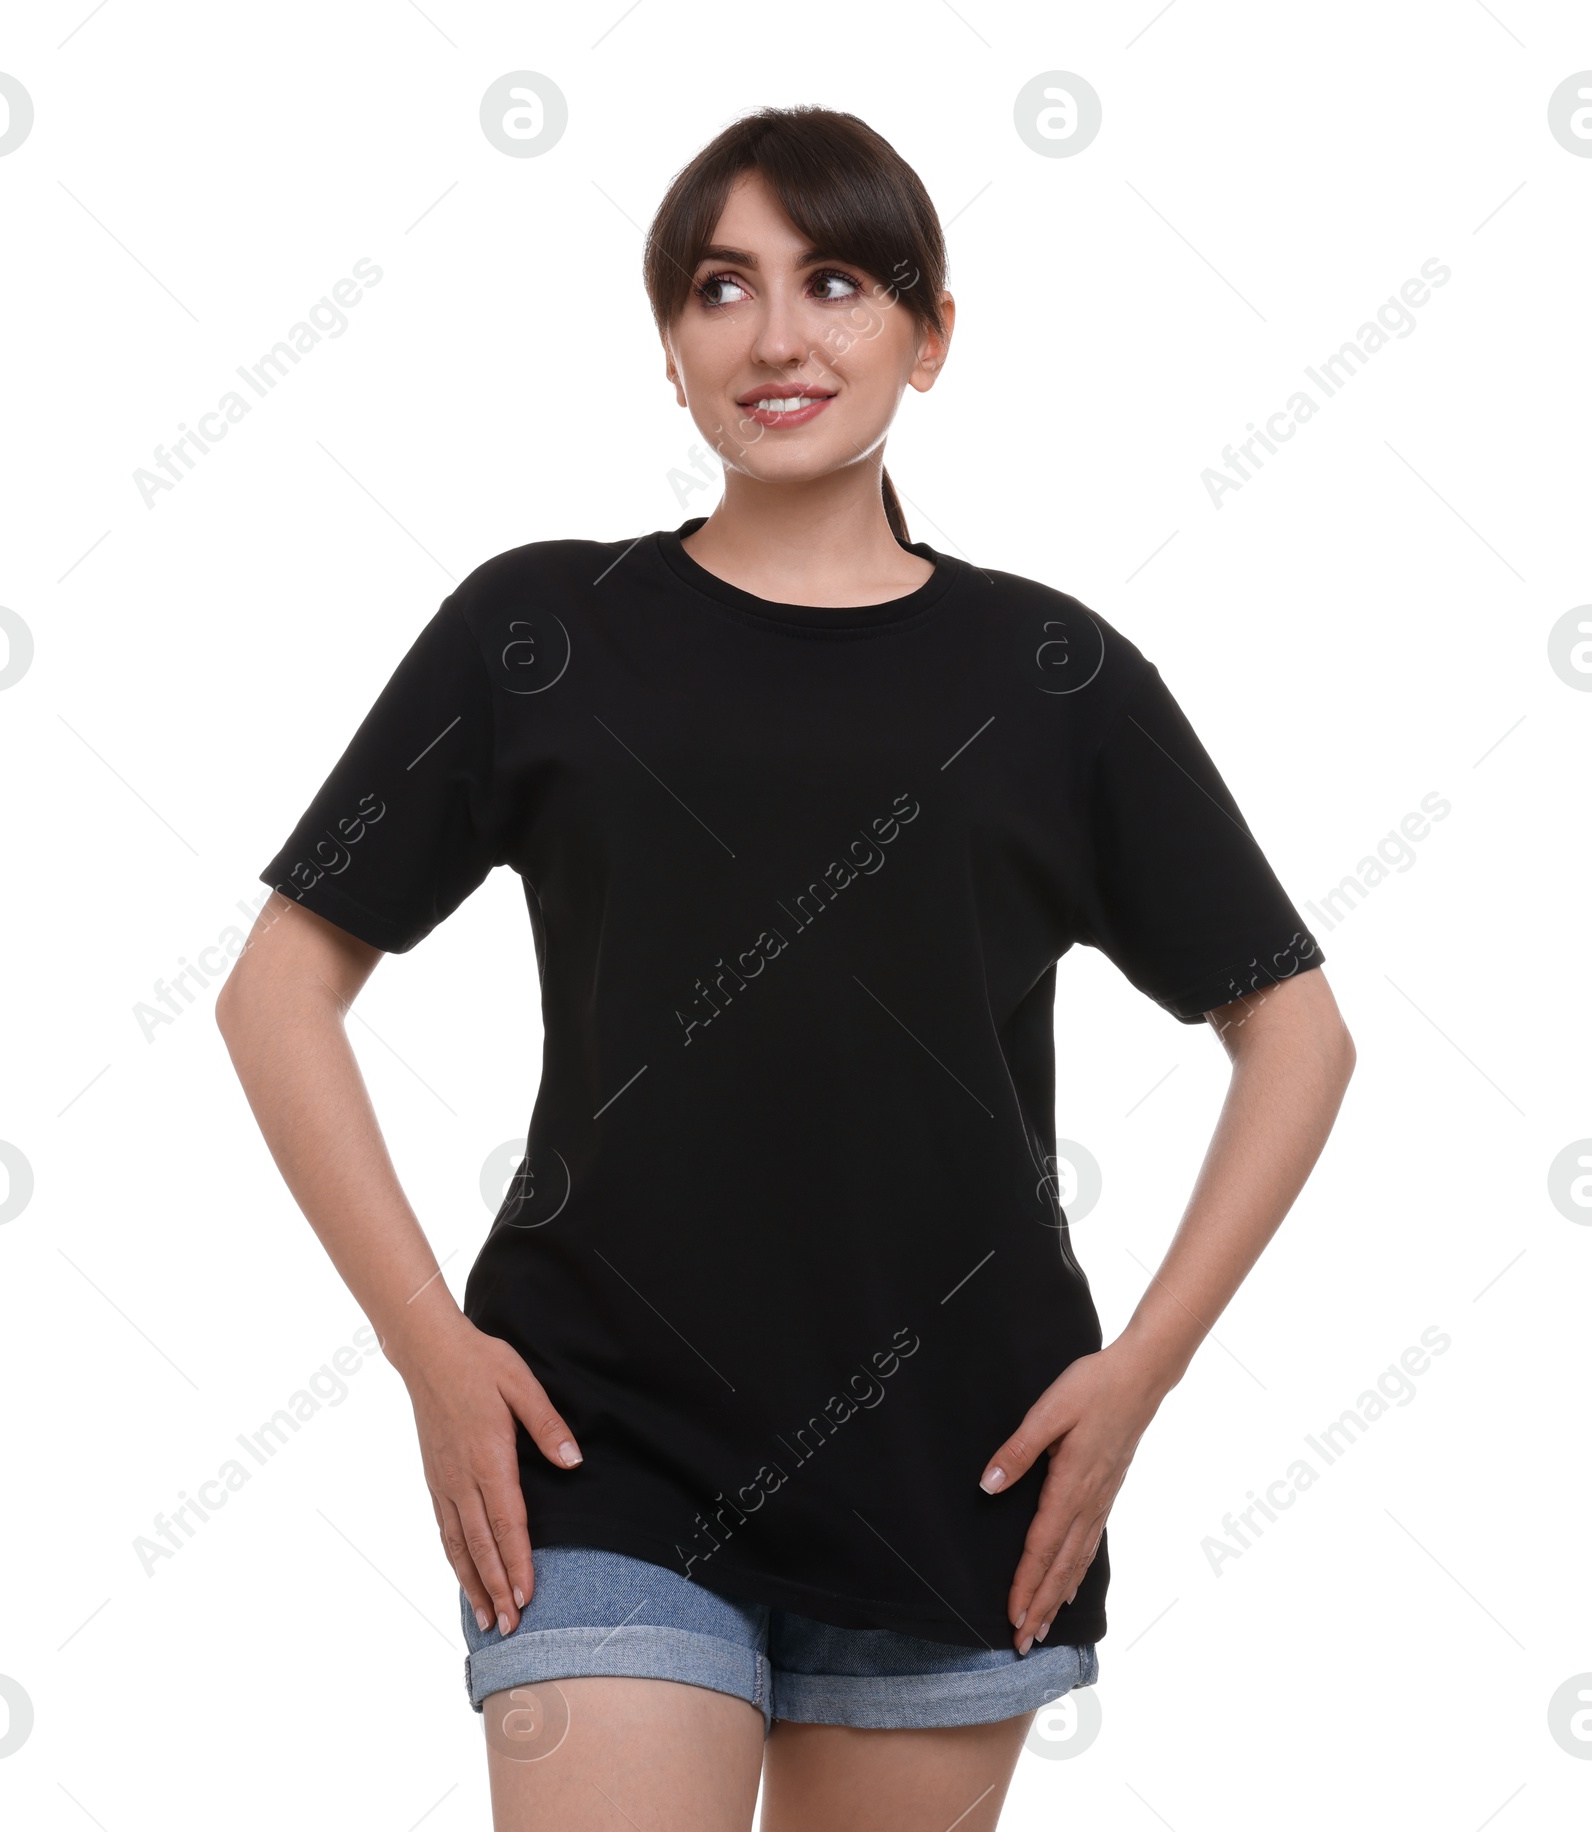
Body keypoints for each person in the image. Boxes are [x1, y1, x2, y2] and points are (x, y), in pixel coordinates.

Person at [217, 104, 1355, 1832]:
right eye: (718, 287)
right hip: (599, 1448)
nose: (775, 336)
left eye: (833, 281)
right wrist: (431, 1353)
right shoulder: (542, 630)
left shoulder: (1050, 675)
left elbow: (1296, 1033)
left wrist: (1138, 1380)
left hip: (961, 1461)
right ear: (669, 352)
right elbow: (276, 990)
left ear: (930, 332)